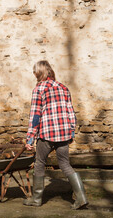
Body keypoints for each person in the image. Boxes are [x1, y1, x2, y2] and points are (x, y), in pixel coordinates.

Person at [23, 60, 88, 209]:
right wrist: (71, 132)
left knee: (39, 163)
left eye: (35, 72)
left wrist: (30, 139)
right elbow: (71, 112)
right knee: (65, 164)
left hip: (47, 133)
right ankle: (81, 197)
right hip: (64, 133)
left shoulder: (39, 89)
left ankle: (36, 199)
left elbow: (35, 116)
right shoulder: (63, 88)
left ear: (39, 73)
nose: (34, 75)